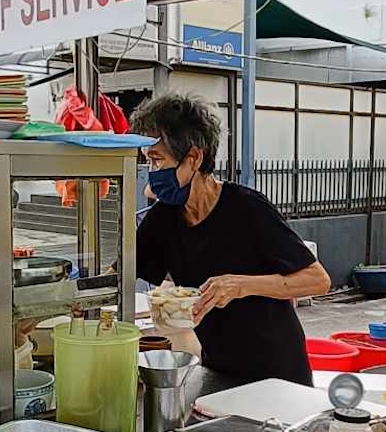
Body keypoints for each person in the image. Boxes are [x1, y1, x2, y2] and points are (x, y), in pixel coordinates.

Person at [132, 92, 330, 386]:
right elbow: (123, 274)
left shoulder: (247, 209)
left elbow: (318, 280)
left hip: (277, 374)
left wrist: (242, 285)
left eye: (158, 161)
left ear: (194, 157)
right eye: (148, 162)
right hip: (217, 368)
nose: (152, 173)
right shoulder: (164, 216)